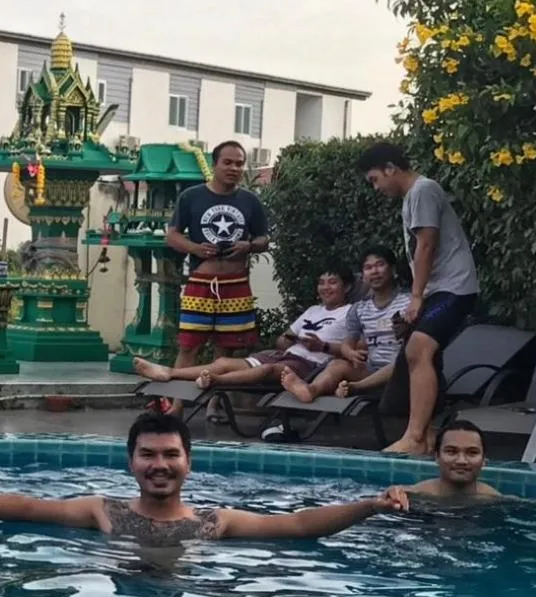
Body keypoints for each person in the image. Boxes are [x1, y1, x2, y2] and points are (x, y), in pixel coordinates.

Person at [0, 411, 408, 545]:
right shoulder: (105, 512)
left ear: (189, 462)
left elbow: (300, 526)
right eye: (149, 455)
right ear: (131, 462)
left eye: (171, 455)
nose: (160, 465)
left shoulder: (213, 523)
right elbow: (30, 507)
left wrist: (369, 505)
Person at [358, 142, 479, 455]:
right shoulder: (414, 195)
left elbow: (426, 245)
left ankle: (413, 437)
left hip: (454, 288)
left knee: (418, 350)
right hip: (439, 289)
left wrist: (415, 296)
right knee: (422, 355)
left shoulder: (423, 190)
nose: (376, 188)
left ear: (390, 168)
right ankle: (425, 437)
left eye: (375, 179)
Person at [134, 267, 353, 393]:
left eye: (332, 283)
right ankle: (169, 373)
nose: (326, 288)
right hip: (285, 355)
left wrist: (321, 346)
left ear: (348, 287)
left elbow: (354, 349)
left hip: (310, 365)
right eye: (322, 283)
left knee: (267, 372)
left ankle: (215, 381)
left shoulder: (352, 313)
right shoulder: (313, 310)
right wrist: (288, 339)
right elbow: (281, 341)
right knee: (223, 363)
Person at [165, 140, 271, 368]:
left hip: (236, 282)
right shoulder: (191, 196)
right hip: (201, 281)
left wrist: (249, 245)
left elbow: (264, 239)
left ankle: (214, 402)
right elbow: (172, 235)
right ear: (215, 165)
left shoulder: (250, 200)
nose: (234, 168)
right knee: (188, 345)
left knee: (226, 350)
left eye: (239, 164)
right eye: (228, 162)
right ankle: (177, 403)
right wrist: (194, 248)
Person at [281, 246, 412, 404]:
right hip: (370, 370)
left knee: (404, 360)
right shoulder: (359, 309)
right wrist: (350, 353)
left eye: (380, 265)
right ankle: (311, 390)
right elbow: (347, 345)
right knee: (337, 364)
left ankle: (356, 388)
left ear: (392, 269)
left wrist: (408, 328)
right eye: (368, 267)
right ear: (363, 276)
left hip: (405, 372)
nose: (374, 271)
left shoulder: (409, 302)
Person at [408, 420, 502, 500]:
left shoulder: (497, 502)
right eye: (451, 451)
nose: (461, 461)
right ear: (437, 456)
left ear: (484, 459)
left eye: (472, 452)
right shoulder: (409, 497)